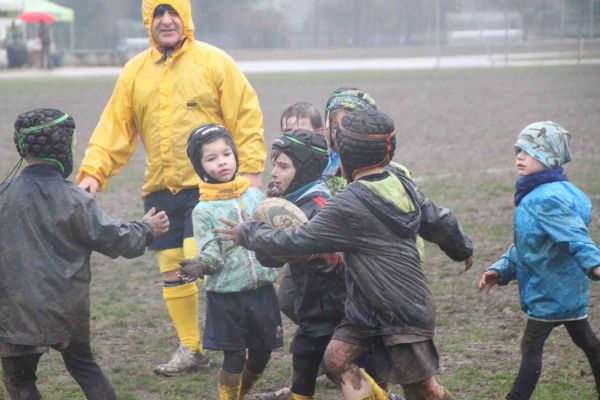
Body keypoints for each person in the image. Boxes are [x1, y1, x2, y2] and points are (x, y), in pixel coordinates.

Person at [215, 109, 474, 400]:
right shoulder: (399, 181)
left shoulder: (348, 204)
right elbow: (438, 219)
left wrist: (248, 233)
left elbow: (300, 240)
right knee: (336, 358)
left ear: (347, 154)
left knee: (423, 390)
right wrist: (460, 247)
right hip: (367, 307)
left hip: (401, 308)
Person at [76, 0, 266, 376]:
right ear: (148, 20)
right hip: (161, 188)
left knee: (209, 262)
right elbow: (115, 127)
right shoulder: (134, 72)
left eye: (173, 12)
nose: (166, 21)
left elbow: (246, 115)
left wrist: (254, 172)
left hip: (210, 190)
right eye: (157, 14)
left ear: (186, 17)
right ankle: (191, 348)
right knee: (172, 268)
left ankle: (235, 342)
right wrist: (93, 173)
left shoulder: (214, 62)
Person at [0, 108, 170, 400]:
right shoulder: (75, 198)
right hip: (67, 308)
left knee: (20, 380)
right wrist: (146, 228)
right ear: (64, 147)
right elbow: (116, 239)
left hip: (15, 311)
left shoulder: (4, 193)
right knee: (83, 366)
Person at [479, 121, 600, 400]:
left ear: (550, 157)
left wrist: (594, 263)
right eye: (519, 150)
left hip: (550, 292)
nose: (520, 157)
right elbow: (528, 243)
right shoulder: (542, 194)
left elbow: (574, 235)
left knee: (531, 347)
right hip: (567, 290)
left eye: (530, 151)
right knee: (587, 342)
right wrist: (501, 269)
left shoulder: (545, 199)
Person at [176, 124, 282, 399]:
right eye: (211, 158)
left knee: (262, 354)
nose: (222, 161)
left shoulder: (254, 195)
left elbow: (271, 232)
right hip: (227, 298)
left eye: (226, 154)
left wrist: (278, 205)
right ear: (200, 167)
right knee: (233, 357)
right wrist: (200, 264)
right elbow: (211, 252)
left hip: (261, 291)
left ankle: (241, 393)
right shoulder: (203, 210)